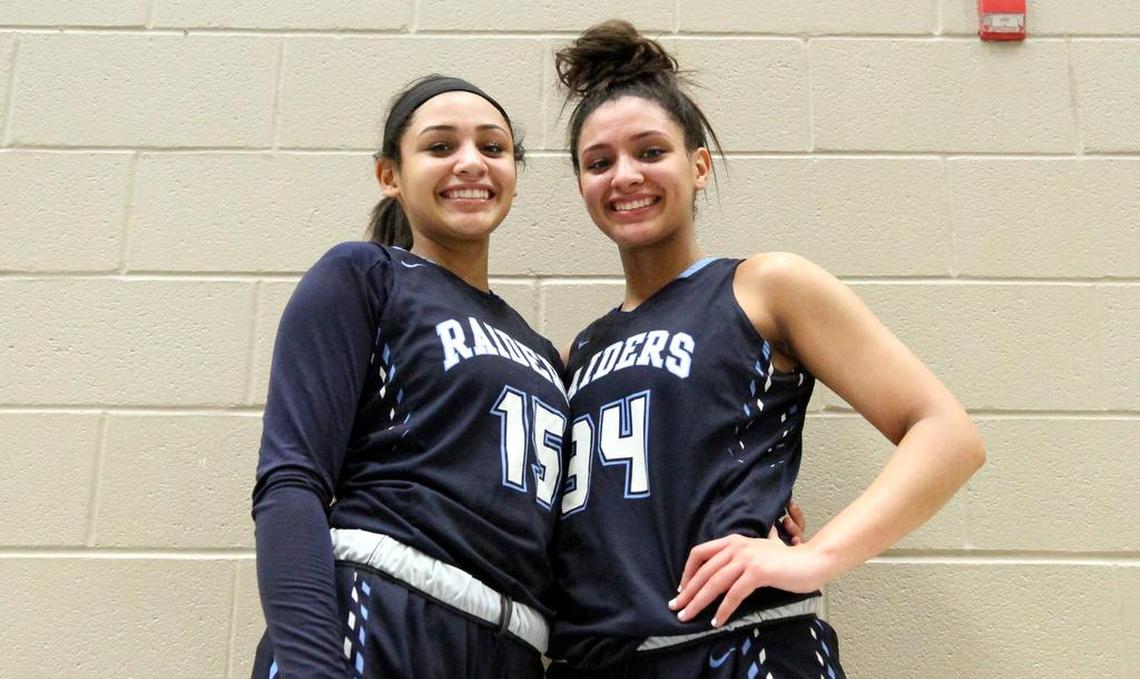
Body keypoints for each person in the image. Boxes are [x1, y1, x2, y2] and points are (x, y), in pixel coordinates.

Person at [546, 21, 986, 678]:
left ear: (697, 166)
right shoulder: (584, 348)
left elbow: (948, 436)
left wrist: (814, 557)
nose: (625, 175)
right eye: (599, 161)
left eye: (650, 151)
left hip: (740, 649)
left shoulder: (763, 285)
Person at [249, 75, 569, 678]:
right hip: (380, 616)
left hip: (515, 649)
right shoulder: (364, 275)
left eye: (493, 148)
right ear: (389, 175)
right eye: (441, 147)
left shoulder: (546, 356)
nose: (470, 163)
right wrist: (313, 668)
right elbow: (290, 482)